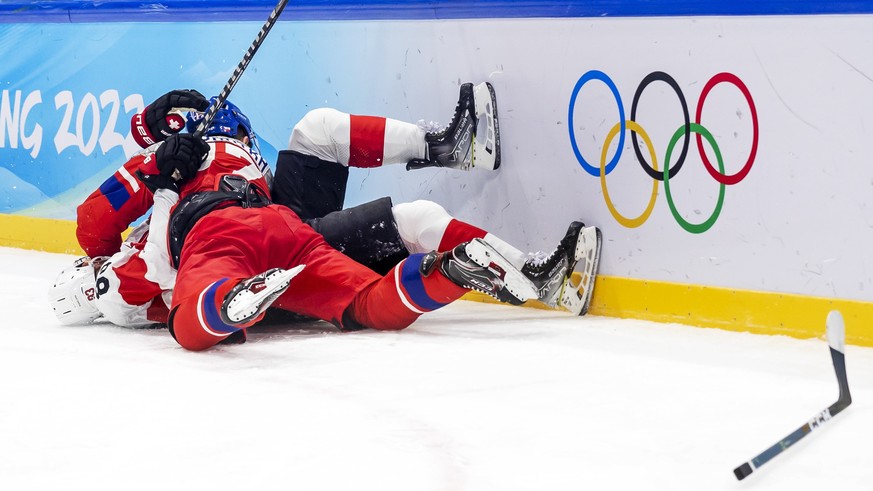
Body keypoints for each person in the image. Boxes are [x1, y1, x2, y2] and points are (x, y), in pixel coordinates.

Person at [49, 86, 601, 345]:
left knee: (315, 128)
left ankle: (453, 147)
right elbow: (91, 230)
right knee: (419, 222)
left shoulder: (232, 152)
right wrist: (153, 173)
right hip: (225, 246)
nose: (208, 122)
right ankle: (491, 276)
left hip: (283, 221)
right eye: (188, 120)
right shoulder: (151, 178)